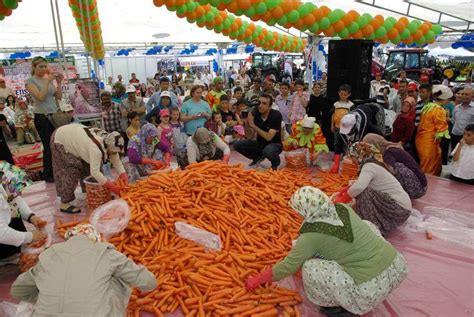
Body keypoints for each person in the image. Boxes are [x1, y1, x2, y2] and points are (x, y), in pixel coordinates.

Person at [246, 186, 408, 317]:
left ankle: (340, 307)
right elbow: (337, 238)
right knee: (367, 225)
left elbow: (289, 266)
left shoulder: (310, 237)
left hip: (368, 289)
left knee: (310, 268)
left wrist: (259, 279)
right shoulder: (343, 208)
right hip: (394, 267)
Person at [10, 223, 157, 316]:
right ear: (95, 239)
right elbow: (149, 282)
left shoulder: (49, 255)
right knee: (115, 279)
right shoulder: (106, 252)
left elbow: (17, 290)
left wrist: (49, 297)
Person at [334, 142, 412, 235]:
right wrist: (348, 189)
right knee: (360, 191)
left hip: (398, 209)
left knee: (363, 192)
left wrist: (343, 198)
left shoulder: (369, 166)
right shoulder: (374, 164)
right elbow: (364, 184)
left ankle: (371, 228)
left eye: (353, 156)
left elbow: (360, 187)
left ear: (360, 154)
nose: (352, 160)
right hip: (402, 210)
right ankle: (374, 223)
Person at [51, 124, 127, 213]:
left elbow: (115, 157)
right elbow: (95, 172)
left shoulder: (109, 141)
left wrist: (123, 175)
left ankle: (89, 193)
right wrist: (112, 187)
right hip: (61, 139)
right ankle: (65, 202)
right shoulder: (96, 148)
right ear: (108, 146)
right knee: (71, 170)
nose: (114, 154)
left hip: (77, 138)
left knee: (88, 166)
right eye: (113, 151)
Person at [25, 57, 64, 183]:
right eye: (40, 66)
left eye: (44, 66)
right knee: (48, 146)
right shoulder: (30, 81)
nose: (43, 69)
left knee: (57, 144)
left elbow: (58, 96)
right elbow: (40, 97)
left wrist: (59, 83)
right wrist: (48, 81)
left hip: (54, 115)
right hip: (42, 116)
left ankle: (58, 170)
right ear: (34, 67)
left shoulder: (47, 80)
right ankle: (48, 174)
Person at [0, 162, 47, 262]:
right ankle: (4, 257)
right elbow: (1, 233)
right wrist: (29, 236)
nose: (20, 192)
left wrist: (31, 217)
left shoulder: (5, 186)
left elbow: (15, 200)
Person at [363, 133, 427, 199]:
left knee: (391, 169)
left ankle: (397, 195)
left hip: (418, 187)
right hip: (420, 185)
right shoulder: (388, 150)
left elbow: (387, 172)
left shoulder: (389, 152)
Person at [234, 94, 283, 170]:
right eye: (259, 102)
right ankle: (257, 158)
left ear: (270, 106)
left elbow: (269, 138)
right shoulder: (256, 114)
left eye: (264, 103)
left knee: (268, 151)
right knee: (237, 144)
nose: (260, 105)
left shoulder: (276, 115)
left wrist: (253, 126)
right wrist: (247, 123)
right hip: (260, 143)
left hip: (275, 144)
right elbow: (249, 136)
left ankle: (275, 163)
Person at [416, 85, 452, 176]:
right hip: (430, 141)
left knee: (424, 163)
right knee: (430, 167)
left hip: (421, 139)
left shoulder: (428, 106)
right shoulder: (439, 110)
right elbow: (441, 128)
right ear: (445, 98)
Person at [330, 84, 354, 173]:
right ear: (338, 94)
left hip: (347, 128)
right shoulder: (336, 104)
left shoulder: (351, 105)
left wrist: (352, 127)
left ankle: (345, 159)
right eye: (341, 94)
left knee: (346, 143)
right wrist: (332, 125)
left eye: (345, 94)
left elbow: (353, 116)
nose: (343, 96)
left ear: (349, 95)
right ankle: (336, 160)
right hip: (337, 127)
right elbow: (333, 115)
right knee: (336, 142)